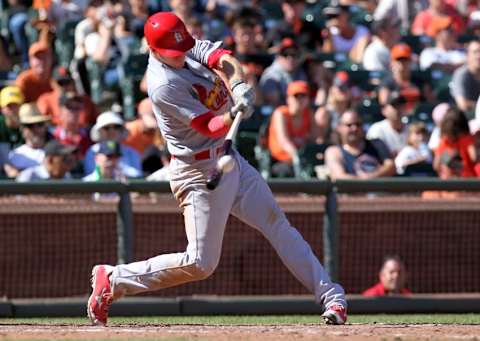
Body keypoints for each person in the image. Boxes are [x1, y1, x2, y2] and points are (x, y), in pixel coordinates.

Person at [87, 12, 347, 327]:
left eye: (182, 46)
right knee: (200, 263)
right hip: (197, 173)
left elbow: (224, 58)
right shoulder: (162, 84)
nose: (181, 54)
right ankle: (114, 279)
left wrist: (237, 84)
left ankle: (332, 297)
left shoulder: (183, 44)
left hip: (228, 159)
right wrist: (233, 113)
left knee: (277, 224)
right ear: (154, 50)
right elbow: (207, 125)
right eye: (173, 51)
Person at [325, 110, 396, 180]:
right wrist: (364, 182)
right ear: (339, 127)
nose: (354, 128)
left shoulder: (376, 144)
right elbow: (339, 177)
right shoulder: (334, 152)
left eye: (358, 124)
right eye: (349, 125)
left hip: (379, 191)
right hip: (350, 191)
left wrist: (370, 178)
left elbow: (390, 167)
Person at [84, 111, 142, 178]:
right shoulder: (92, 151)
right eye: (106, 128)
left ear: (121, 130)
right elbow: (88, 178)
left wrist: (117, 165)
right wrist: (102, 169)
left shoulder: (131, 152)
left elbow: (138, 176)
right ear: (99, 131)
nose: (112, 131)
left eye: (116, 127)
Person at [4, 103, 51, 178]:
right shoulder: (14, 156)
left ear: (45, 127)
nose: (36, 129)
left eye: (40, 124)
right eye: (29, 126)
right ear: (22, 129)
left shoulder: (55, 153)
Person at [366, 91, 409, 157]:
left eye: (401, 105)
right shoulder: (377, 129)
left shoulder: (410, 129)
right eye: (394, 106)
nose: (398, 109)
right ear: (384, 110)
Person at [450, 40, 480, 113]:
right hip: (466, 118)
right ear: (467, 55)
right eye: (475, 52)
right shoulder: (461, 74)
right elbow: (463, 105)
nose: (479, 56)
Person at [0, 86, 25, 173]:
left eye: (16, 105)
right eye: (9, 106)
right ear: (2, 109)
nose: (13, 110)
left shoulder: (30, 126)